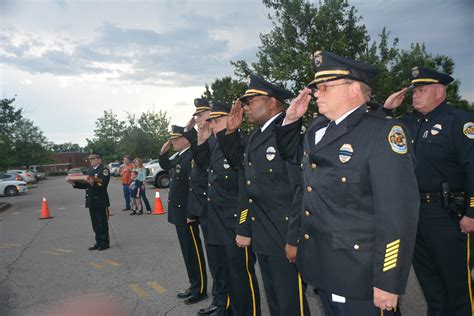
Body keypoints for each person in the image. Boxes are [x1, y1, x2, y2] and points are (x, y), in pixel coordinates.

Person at [275, 50, 419, 315]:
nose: (317, 93)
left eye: (324, 87)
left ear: (353, 90)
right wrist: (291, 119)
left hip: (359, 275)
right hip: (323, 267)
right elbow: (294, 157)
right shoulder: (319, 128)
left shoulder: (383, 132)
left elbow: (398, 214)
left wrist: (389, 280)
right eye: (317, 87)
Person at [383, 67, 474, 315]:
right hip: (414, 213)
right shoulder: (407, 123)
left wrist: (472, 212)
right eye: (414, 91)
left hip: (447, 215)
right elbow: (374, 131)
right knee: (430, 285)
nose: (415, 95)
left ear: (439, 92)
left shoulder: (460, 122)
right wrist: (386, 109)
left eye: (421, 90)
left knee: (457, 288)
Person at [219, 74, 310, 315]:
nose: (246, 107)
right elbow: (244, 177)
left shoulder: (287, 132)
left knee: (292, 304)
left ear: (272, 102)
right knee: (277, 303)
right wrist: (230, 133)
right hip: (264, 233)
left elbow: (299, 190)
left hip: (285, 234)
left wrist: (294, 239)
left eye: (251, 100)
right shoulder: (256, 136)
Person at [196, 101, 261, 316]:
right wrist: (201, 140)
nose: (212, 124)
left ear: (232, 118)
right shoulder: (215, 144)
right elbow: (204, 168)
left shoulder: (241, 144)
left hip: (234, 221)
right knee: (224, 272)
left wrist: (243, 225)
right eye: (211, 120)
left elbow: (246, 191)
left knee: (241, 276)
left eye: (217, 120)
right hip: (217, 221)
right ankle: (229, 309)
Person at [183, 98, 229, 315]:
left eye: (202, 115)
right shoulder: (206, 140)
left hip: (218, 211)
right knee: (215, 261)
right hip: (205, 210)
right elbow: (198, 175)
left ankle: (224, 302)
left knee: (223, 262)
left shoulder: (219, 140)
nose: (199, 119)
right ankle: (220, 301)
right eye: (199, 115)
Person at [159, 125, 208, 305]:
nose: (172, 142)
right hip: (179, 213)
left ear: (186, 139)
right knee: (187, 253)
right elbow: (166, 166)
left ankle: (200, 288)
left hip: (187, 214)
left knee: (193, 252)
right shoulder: (181, 156)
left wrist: (190, 212)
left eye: (175, 139)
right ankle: (193, 284)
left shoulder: (191, 156)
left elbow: (193, 187)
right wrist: (162, 153)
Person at [71, 151, 111, 251]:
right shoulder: (90, 170)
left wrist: (93, 181)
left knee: (102, 222)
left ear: (98, 159)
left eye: (92, 158)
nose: (90, 160)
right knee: (95, 223)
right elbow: (86, 184)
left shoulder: (104, 169)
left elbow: (104, 182)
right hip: (91, 199)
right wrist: (74, 183)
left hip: (100, 200)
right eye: (89, 159)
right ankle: (98, 241)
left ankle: (105, 242)